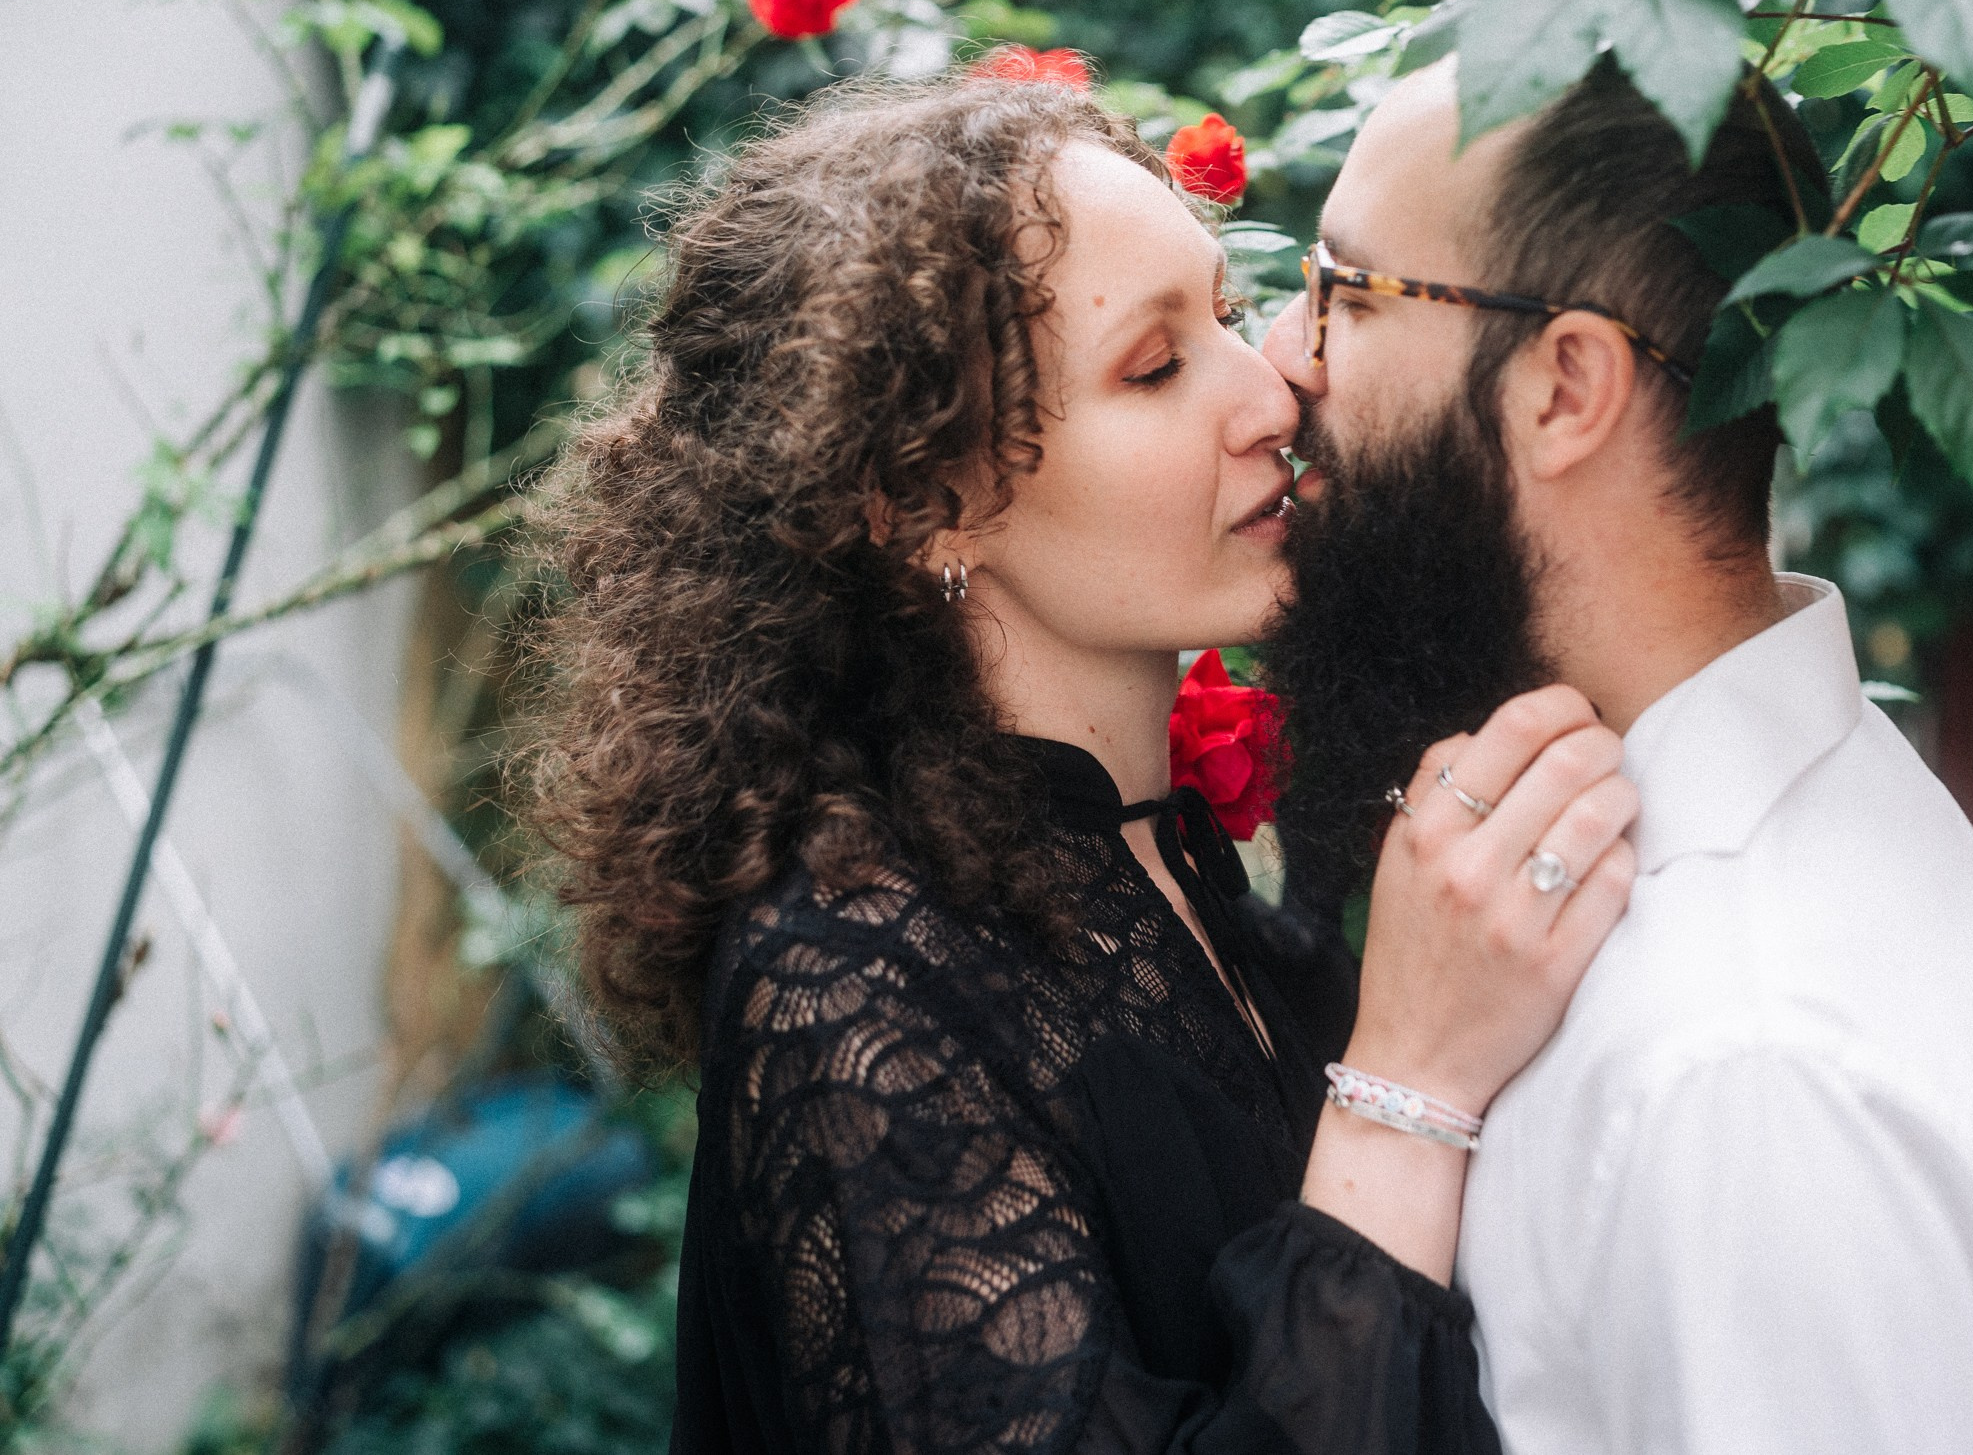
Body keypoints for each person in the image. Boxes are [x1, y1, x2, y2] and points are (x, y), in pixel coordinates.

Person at [525, 76, 1641, 1455]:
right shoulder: (851, 982)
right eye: (1154, 367)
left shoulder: (1176, 860)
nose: (1272, 393)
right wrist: (1405, 1087)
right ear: (924, 506)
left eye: (1227, 312)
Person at [1258, 58, 1973, 1455]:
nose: (1283, 356)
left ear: (1564, 388)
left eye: (1348, 296)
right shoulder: (1711, 861)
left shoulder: (1751, 1069)